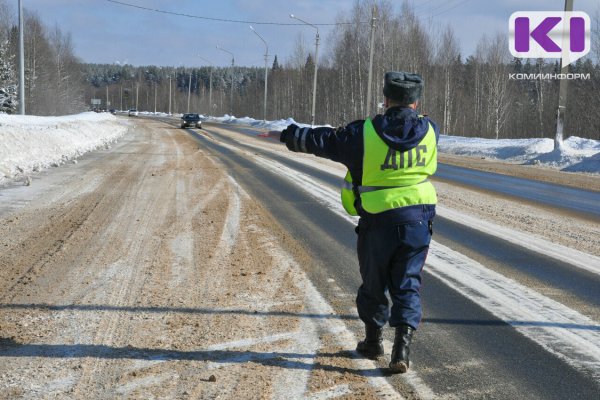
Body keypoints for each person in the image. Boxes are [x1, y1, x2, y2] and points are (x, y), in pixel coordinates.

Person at [274, 71, 438, 373]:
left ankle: (373, 341)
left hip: (379, 220)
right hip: (418, 220)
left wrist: (291, 135)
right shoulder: (431, 131)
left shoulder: (365, 133)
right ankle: (402, 348)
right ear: (415, 103)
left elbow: (324, 140)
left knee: (374, 282)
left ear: (386, 99)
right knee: (407, 283)